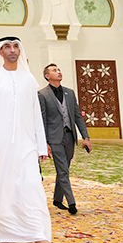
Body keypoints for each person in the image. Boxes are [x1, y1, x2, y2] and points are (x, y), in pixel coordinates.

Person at [0, 37, 60, 243]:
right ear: (0, 52)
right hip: (0, 146)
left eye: (15, 46)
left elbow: (35, 115)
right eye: (7, 47)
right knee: (2, 191)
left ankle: (39, 236)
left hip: (26, 145)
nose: (12, 50)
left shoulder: (28, 79)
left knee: (31, 188)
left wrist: (41, 146)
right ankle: (5, 232)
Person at [38, 63, 92, 215]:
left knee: (64, 169)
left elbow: (77, 117)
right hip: (54, 139)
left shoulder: (70, 93)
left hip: (70, 137)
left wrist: (85, 137)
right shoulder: (42, 94)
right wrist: (44, 142)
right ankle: (72, 202)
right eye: (54, 70)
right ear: (47, 76)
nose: (59, 72)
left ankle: (57, 198)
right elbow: (41, 120)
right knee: (62, 170)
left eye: (59, 70)